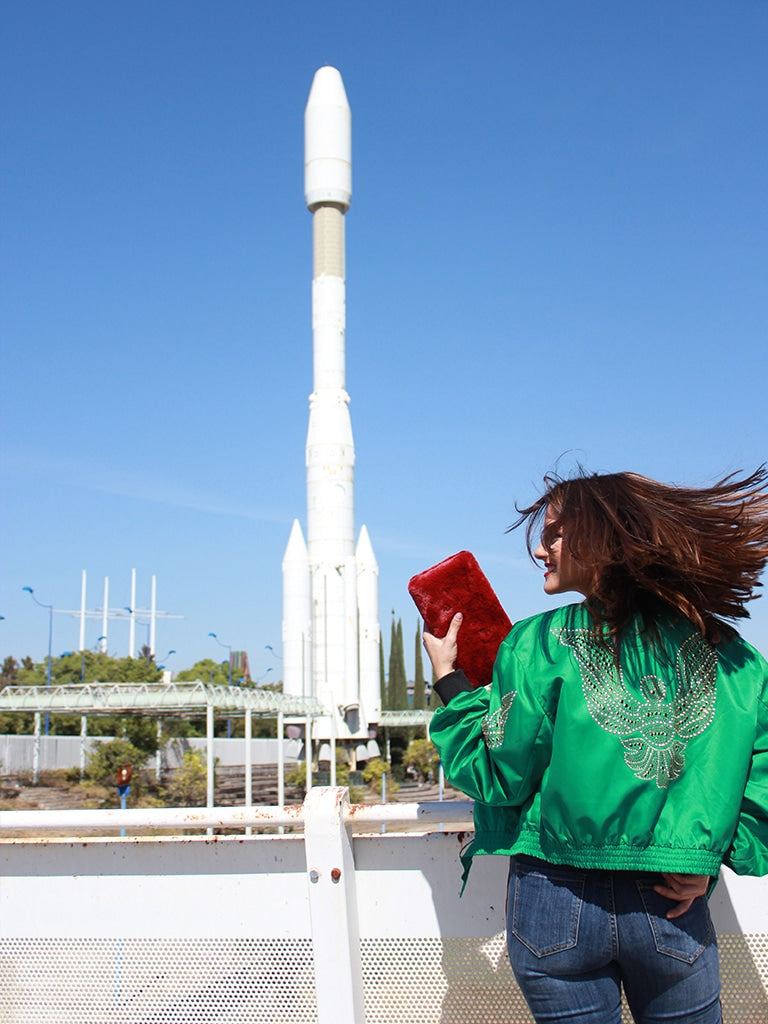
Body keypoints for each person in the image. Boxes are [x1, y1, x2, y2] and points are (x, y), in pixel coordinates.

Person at [424, 468, 768, 1024]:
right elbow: (763, 769)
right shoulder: (732, 656)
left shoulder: (536, 644)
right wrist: (712, 856)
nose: (540, 550)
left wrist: (450, 682)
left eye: (555, 533)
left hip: (554, 900)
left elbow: (497, 775)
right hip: (671, 895)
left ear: (604, 537)